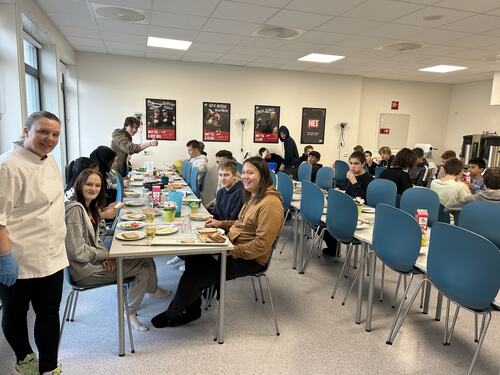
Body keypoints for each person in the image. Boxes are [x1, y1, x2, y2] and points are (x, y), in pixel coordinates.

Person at [151, 157, 284, 328]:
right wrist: (221, 224)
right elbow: (241, 223)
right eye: (244, 172)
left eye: (250, 172)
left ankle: (174, 313)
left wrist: (231, 250)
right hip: (233, 247)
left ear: (263, 175)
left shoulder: (270, 204)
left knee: (197, 274)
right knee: (194, 257)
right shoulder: (255, 196)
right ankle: (191, 308)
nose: (245, 176)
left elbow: (261, 246)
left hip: (250, 259)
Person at [0, 111, 68, 375]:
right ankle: (24, 357)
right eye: (43, 132)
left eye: (54, 134)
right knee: (15, 314)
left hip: (51, 254)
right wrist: (5, 258)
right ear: (27, 131)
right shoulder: (8, 166)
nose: (49, 139)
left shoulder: (49, 160)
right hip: (18, 256)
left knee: (49, 313)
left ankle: (49, 367)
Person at [64, 169, 170, 331]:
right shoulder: (75, 210)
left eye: (97, 185)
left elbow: (95, 239)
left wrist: (103, 255)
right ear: (79, 184)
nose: (94, 188)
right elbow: (76, 251)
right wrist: (105, 254)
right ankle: (130, 312)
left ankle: (151, 290)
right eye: (89, 184)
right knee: (143, 268)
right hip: (84, 271)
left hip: (90, 262)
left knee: (146, 257)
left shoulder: (87, 206)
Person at [323, 151, 374, 256]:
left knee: (330, 222)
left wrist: (354, 182)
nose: (352, 166)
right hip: (347, 208)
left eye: (356, 163)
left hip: (360, 212)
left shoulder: (368, 179)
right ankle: (333, 247)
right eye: (351, 163)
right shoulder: (352, 175)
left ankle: (334, 248)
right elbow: (348, 195)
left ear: (363, 164)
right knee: (322, 220)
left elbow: (362, 200)